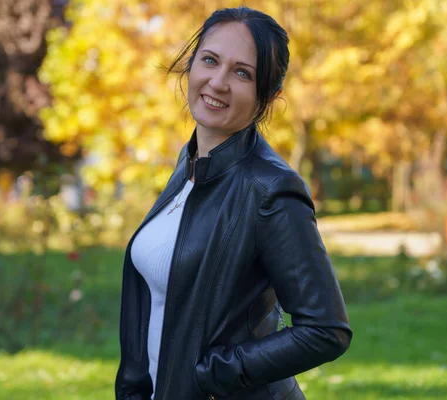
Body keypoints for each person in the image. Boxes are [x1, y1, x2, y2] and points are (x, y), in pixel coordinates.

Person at [115, 6, 352, 400]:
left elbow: (326, 330)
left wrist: (212, 375)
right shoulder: (191, 164)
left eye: (242, 73)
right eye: (210, 61)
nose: (218, 82)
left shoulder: (271, 188)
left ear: (268, 98)